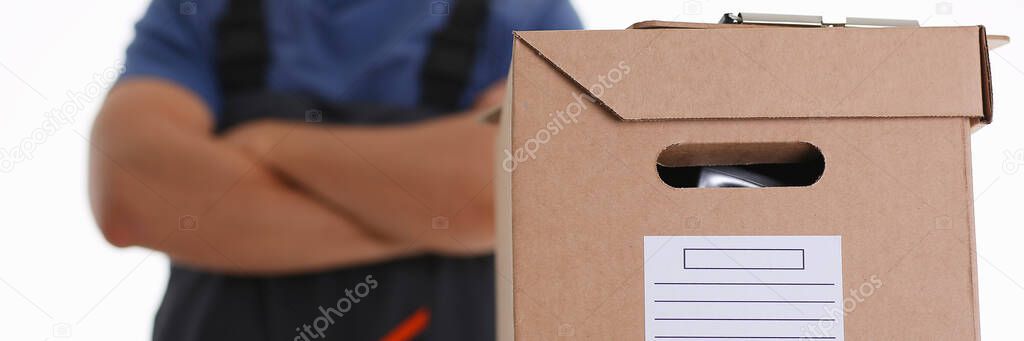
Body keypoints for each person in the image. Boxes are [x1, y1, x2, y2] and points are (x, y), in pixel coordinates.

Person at [87, 0, 581, 339]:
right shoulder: (196, 10)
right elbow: (133, 194)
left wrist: (268, 145)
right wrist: (441, 213)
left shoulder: (531, 11)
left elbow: (521, 191)